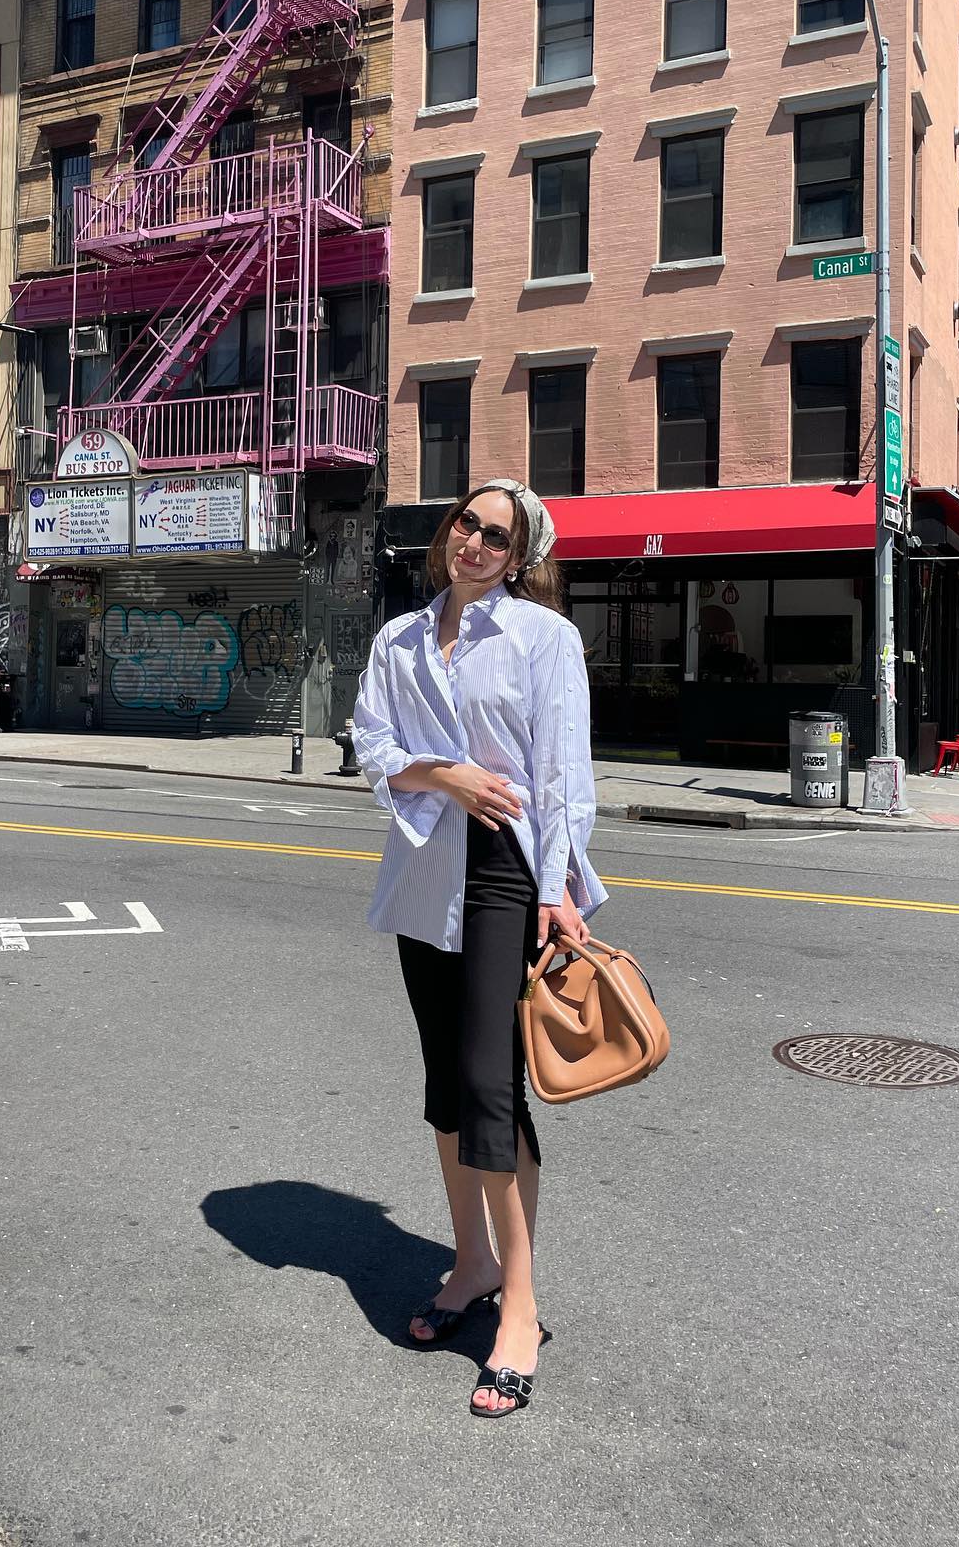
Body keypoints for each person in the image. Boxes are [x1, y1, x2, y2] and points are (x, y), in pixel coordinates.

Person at [351, 479, 605, 1419]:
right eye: (467, 523)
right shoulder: (399, 639)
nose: (476, 544)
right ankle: (470, 1266)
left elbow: (561, 771)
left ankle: (522, 1309)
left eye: (498, 537)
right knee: (447, 1092)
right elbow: (372, 745)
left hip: (506, 868)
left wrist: (559, 889)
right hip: (426, 868)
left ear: (520, 554)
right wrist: (443, 773)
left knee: (493, 1089)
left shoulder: (544, 640)